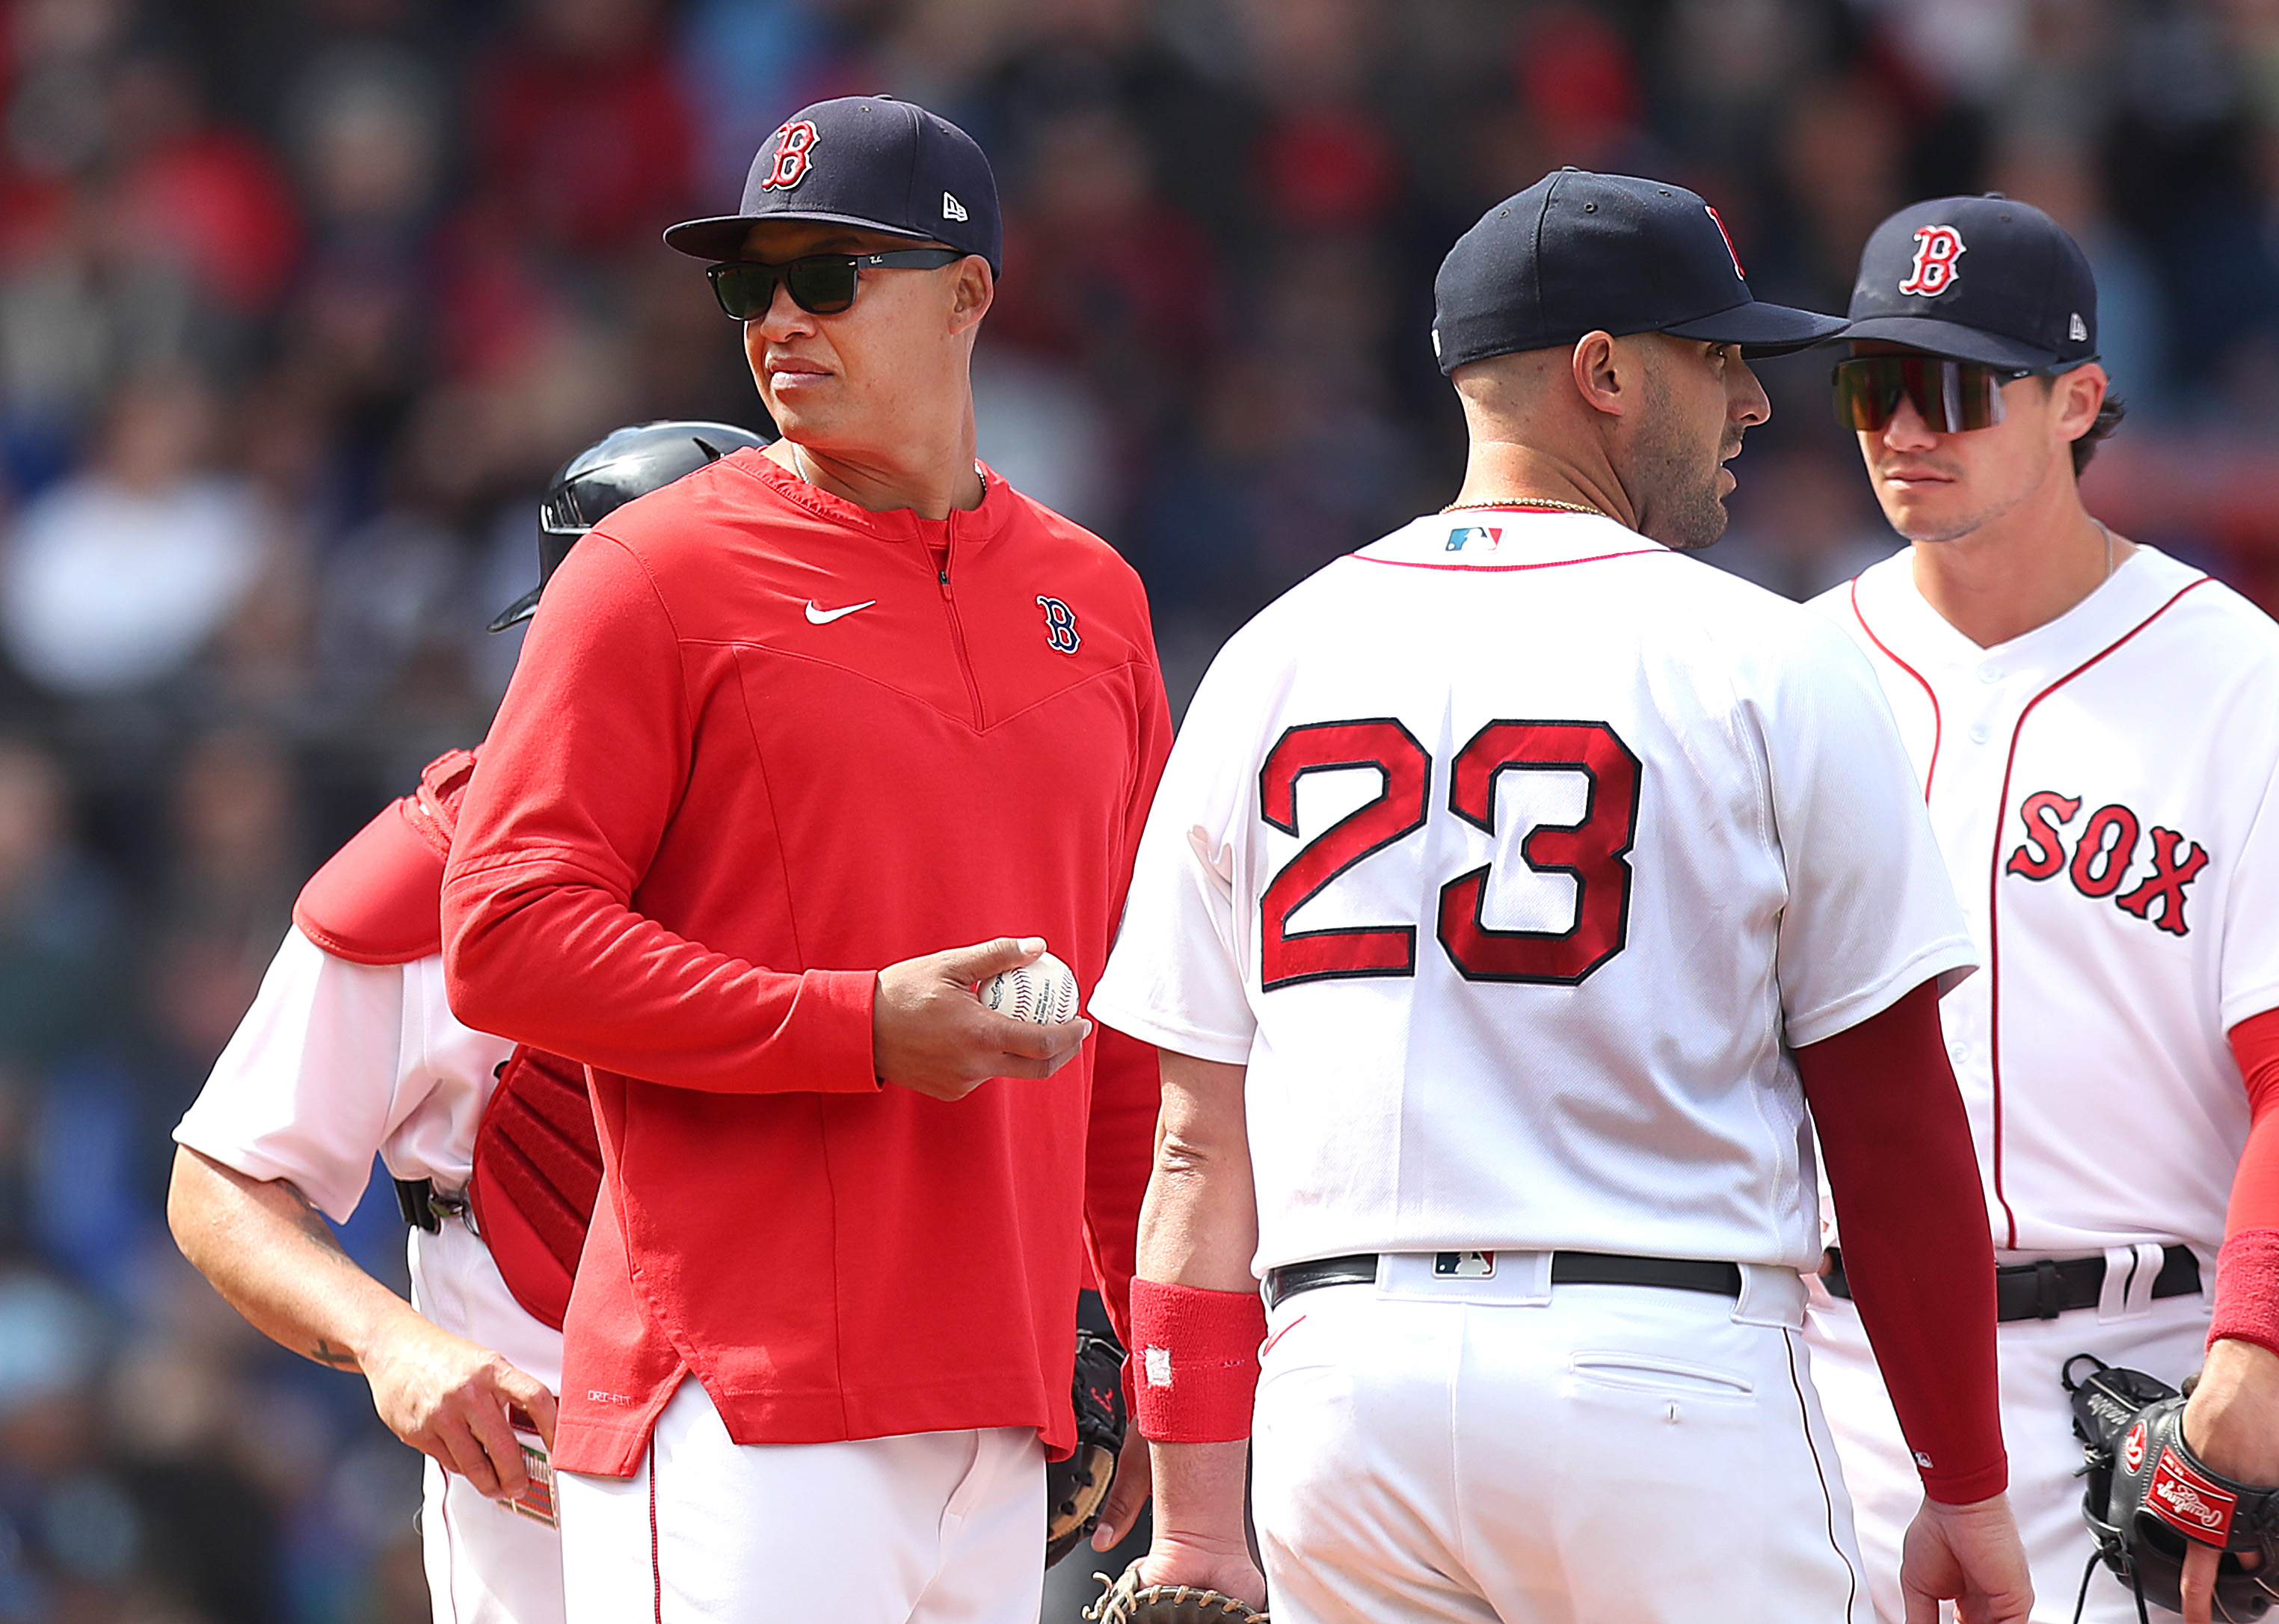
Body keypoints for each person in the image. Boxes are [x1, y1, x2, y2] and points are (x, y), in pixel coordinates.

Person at [1086, 168, 2036, 1624]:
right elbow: (1892, 1119)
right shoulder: (1764, 660)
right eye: (1717, 358)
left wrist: (1201, 1521)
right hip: (1660, 1379)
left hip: (1347, 1393)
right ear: (1603, 374)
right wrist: (1963, 1484)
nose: (1754, 404)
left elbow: (1198, 1150)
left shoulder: (1269, 661)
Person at [437, 96, 1170, 1624]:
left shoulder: (1094, 601)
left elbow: (1129, 1027)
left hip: (1014, 1404)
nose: (780, 315)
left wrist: (1143, 1340)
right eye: (749, 281)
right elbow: (503, 933)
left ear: (970, 293)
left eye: (829, 275)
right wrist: (857, 1026)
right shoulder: (654, 570)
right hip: (737, 1388)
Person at [166, 419, 763, 1624]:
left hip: (822, 1465)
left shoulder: (857, 843)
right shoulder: (428, 878)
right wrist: (397, 1348)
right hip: (547, 1511)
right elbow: (222, 1182)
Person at [1800, 194, 2279, 1624]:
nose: (1905, 427)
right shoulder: (1793, 672)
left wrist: (2252, 1360)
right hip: (1827, 1373)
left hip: (2140, 1383)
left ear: (2080, 401)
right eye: (1871, 384)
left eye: (1954, 387)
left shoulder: (2236, 681)